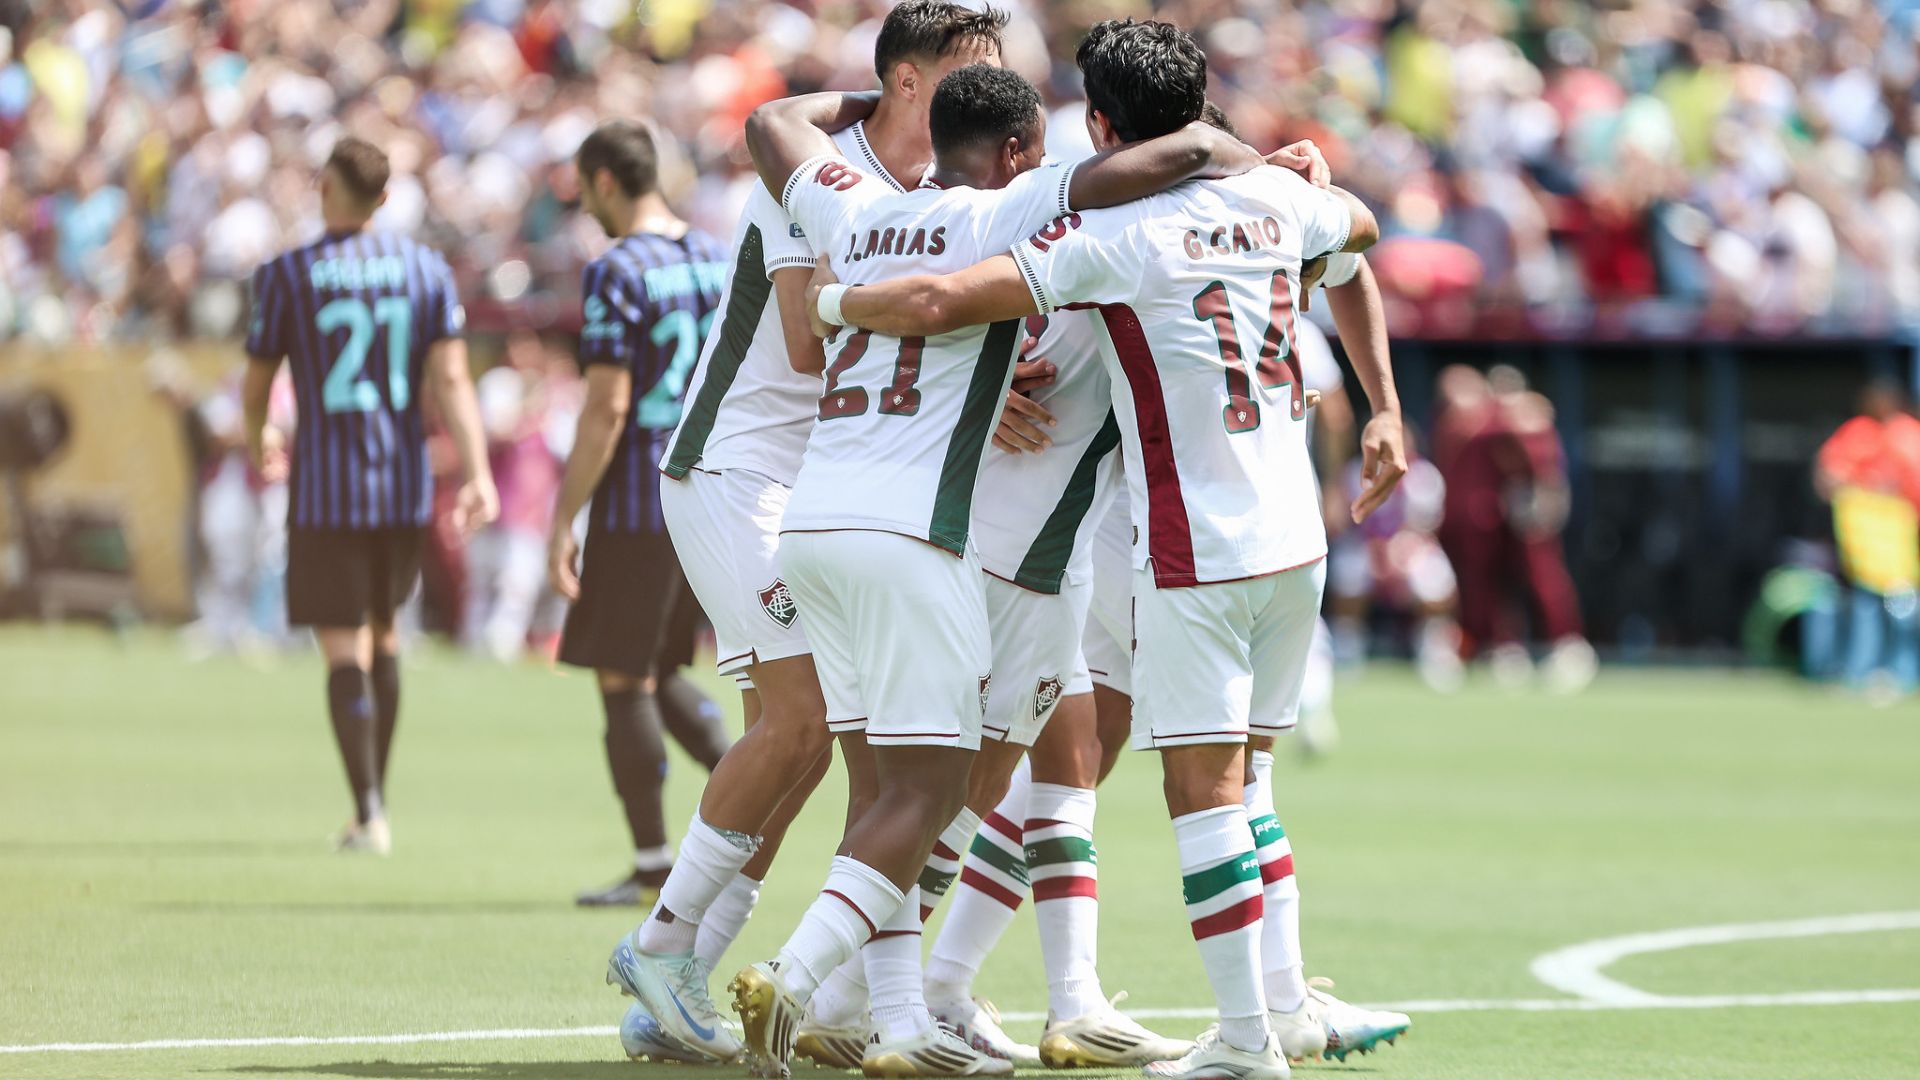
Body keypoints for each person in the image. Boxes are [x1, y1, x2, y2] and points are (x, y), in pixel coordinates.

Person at [809, 20, 1400, 1079]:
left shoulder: (1090, 232)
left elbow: (952, 300)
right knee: (1047, 774)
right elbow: (1353, 233)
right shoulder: (1262, 201)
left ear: (1100, 123)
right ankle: (890, 992)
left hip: (1091, 540)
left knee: (1069, 768)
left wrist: (836, 305)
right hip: (1158, 543)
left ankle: (963, 994)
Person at [726, 58, 1276, 1078]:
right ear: (1024, 148)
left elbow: (772, 128)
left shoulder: (865, 209)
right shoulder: (1058, 223)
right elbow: (983, 290)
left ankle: (912, 1011)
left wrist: (854, 299)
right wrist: (1276, 179)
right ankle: (824, 984)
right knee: (947, 790)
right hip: (986, 550)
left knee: (934, 782)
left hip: (833, 520)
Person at [606, 3, 1007, 1067]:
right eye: (972, 71)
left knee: (824, 741)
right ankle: (659, 946)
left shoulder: (924, 195)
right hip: (737, 472)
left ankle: (704, 983)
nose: (994, 88)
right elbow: (803, 328)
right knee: (802, 723)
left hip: (806, 484)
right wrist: (945, 334)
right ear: (910, 85)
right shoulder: (814, 176)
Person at [241, 137, 499, 856]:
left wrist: (260, 433)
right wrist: (477, 471)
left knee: (340, 650)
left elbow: (259, 379)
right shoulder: (425, 271)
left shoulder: (288, 274)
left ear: (323, 186)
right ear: (386, 200)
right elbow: (451, 380)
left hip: (326, 492)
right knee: (386, 636)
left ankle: (366, 810)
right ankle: (374, 802)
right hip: (401, 487)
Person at [545, 120, 738, 908]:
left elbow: (606, 408)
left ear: (602, 184)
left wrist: (563, 518)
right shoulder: (715, 257)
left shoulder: (616, 269)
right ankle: (757, 791)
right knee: (661, 672)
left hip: (634, 501)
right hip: (707, 491)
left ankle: (654, 861)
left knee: (624, 681)